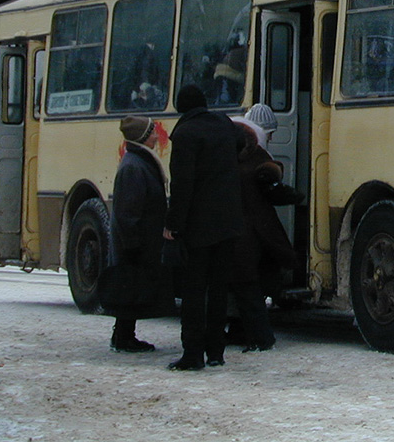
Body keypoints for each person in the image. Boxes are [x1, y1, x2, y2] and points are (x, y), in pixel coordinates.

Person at [163, 84, 246, 371]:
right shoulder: (223, 124)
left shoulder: (185, 134)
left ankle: (193, 353)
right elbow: (243, 141)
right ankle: (216, 351)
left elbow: (182, 185)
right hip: (229, 222)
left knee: (194, 290)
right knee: (219, 289)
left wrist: (173, 225)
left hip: (199, 226)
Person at [230, 106, 298, 353]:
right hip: (252, 234)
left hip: (239, 234)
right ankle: (257, 335)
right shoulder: (258, 159)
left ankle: (254, 335)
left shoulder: (235, 157)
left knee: (244, 286)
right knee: (249, 286)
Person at [108, 115, 171, 353]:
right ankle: (123, 337)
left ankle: (123, 335)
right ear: (144, 137)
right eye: (153, 132)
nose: (157, 135)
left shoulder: (137, 162)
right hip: (135, 240)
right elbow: (127, 211)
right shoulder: (135, 166)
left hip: (139, 239)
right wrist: (133, 244)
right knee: (130, 286)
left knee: (131, 286)